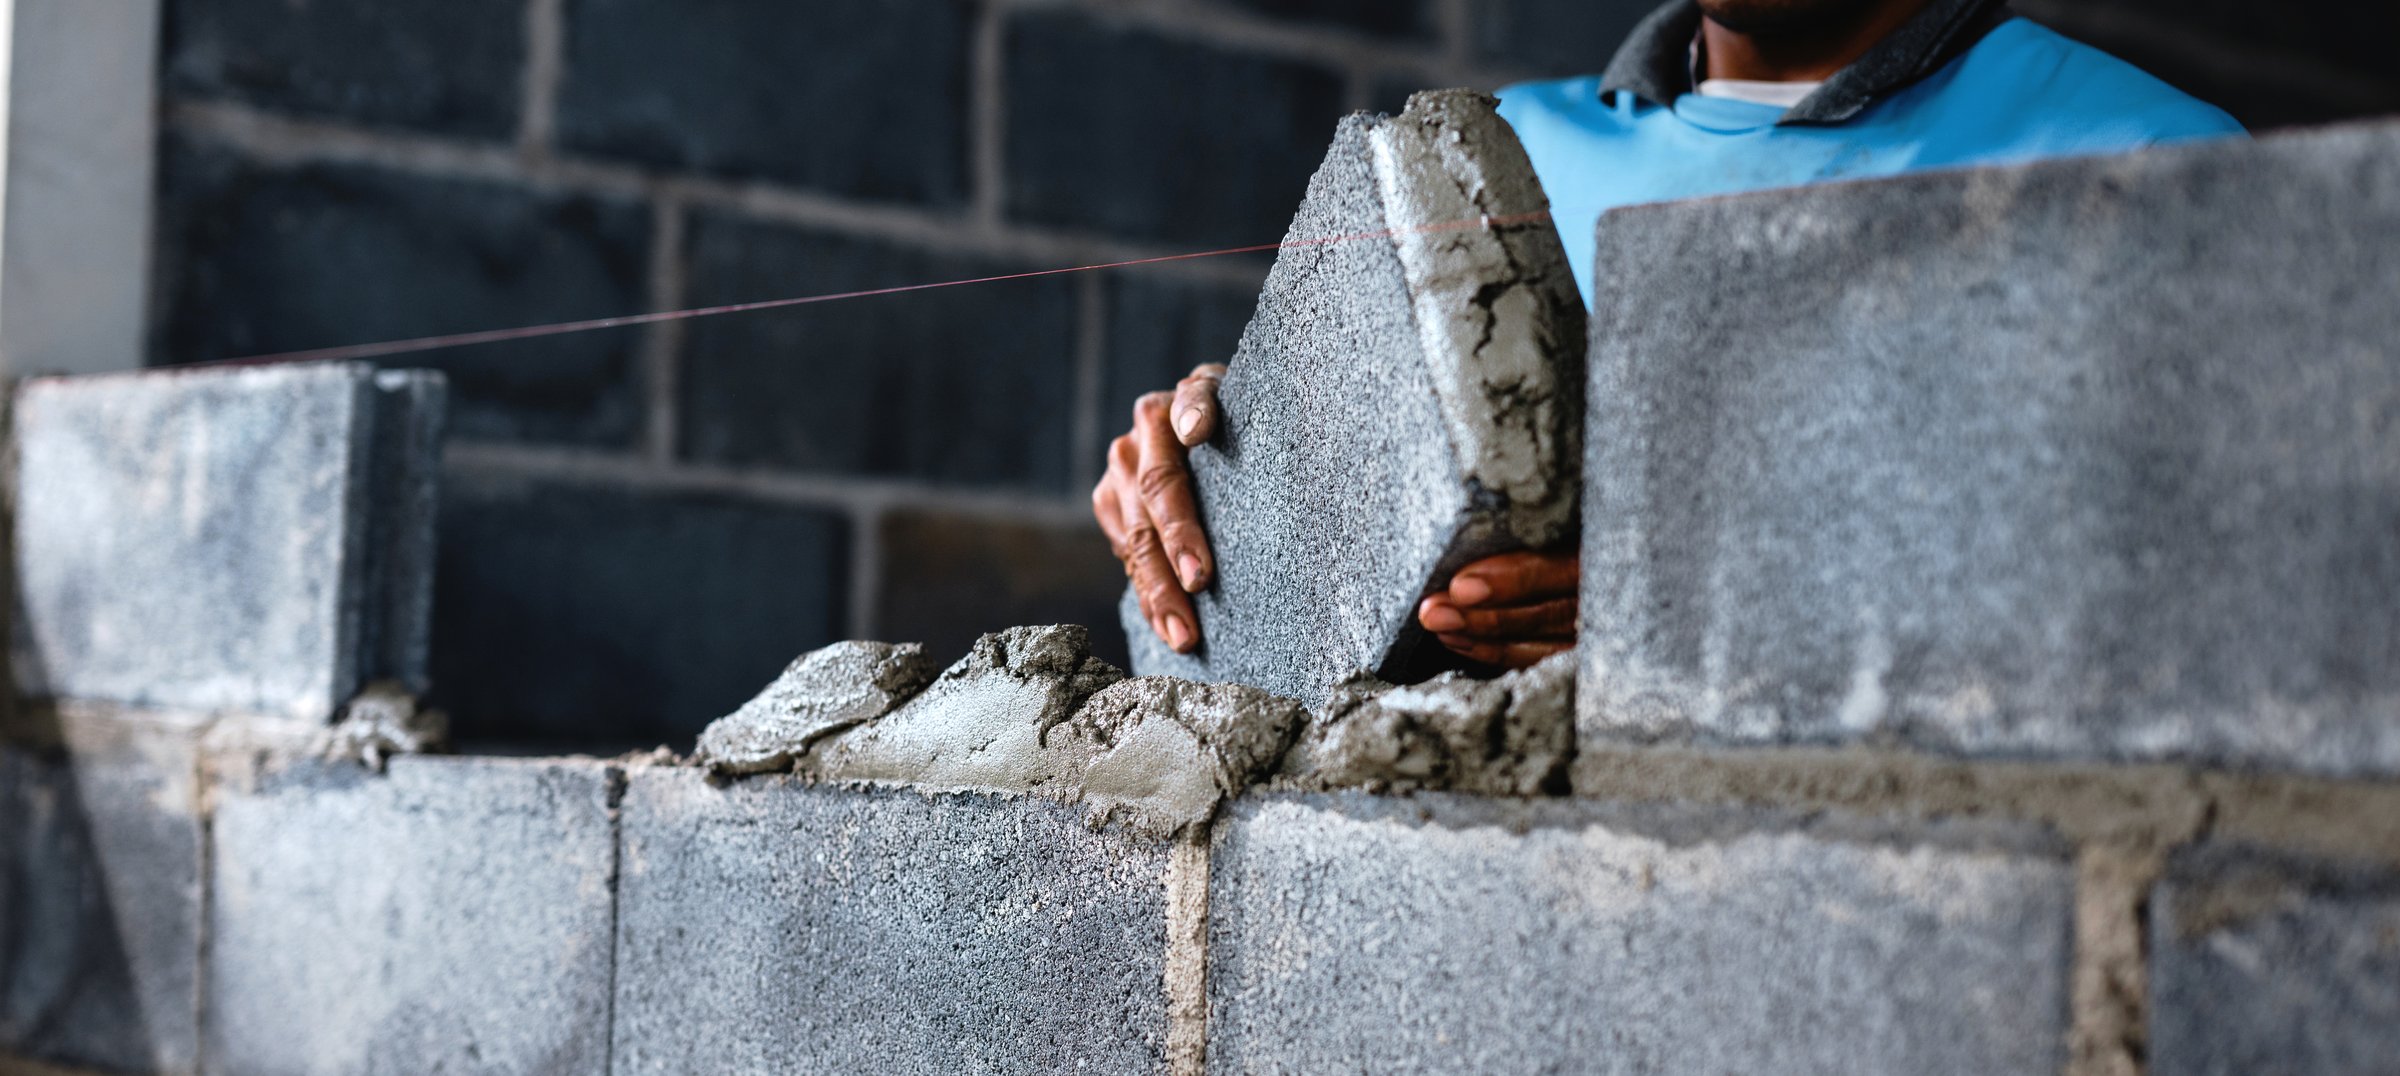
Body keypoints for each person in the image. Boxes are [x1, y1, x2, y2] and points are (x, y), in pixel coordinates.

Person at [1096, 0, 2242, 671]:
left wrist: (1719, 605)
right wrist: (1234, 463)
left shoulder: (2158, 169)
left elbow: (2198, 623)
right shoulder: (1493, 155)